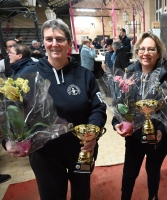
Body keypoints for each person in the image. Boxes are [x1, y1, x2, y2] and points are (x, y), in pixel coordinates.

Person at [3, 19, 107, 200]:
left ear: (69, 42)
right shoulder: (27, 75)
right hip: (45, 154)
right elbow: (11, 113)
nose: (54, 44)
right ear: (43, 42)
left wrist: (93, 133)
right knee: (51, 196)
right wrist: (7, 141)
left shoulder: (84, 75)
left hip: (81, 149)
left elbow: (98, 107)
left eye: (59, 39)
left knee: (82, 193)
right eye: (49, 39)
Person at [112, 31, 167, 200]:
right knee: (129, 172)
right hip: (134, 135)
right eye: (142, 49)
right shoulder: (128, 74)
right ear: (137, 52)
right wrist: (117, 122)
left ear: (159, 53)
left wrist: (163, 131)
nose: (146, 53)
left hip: (159, 137)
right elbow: (120, 104)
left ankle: (153, 196)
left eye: (151, 49)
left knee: (153, 170)